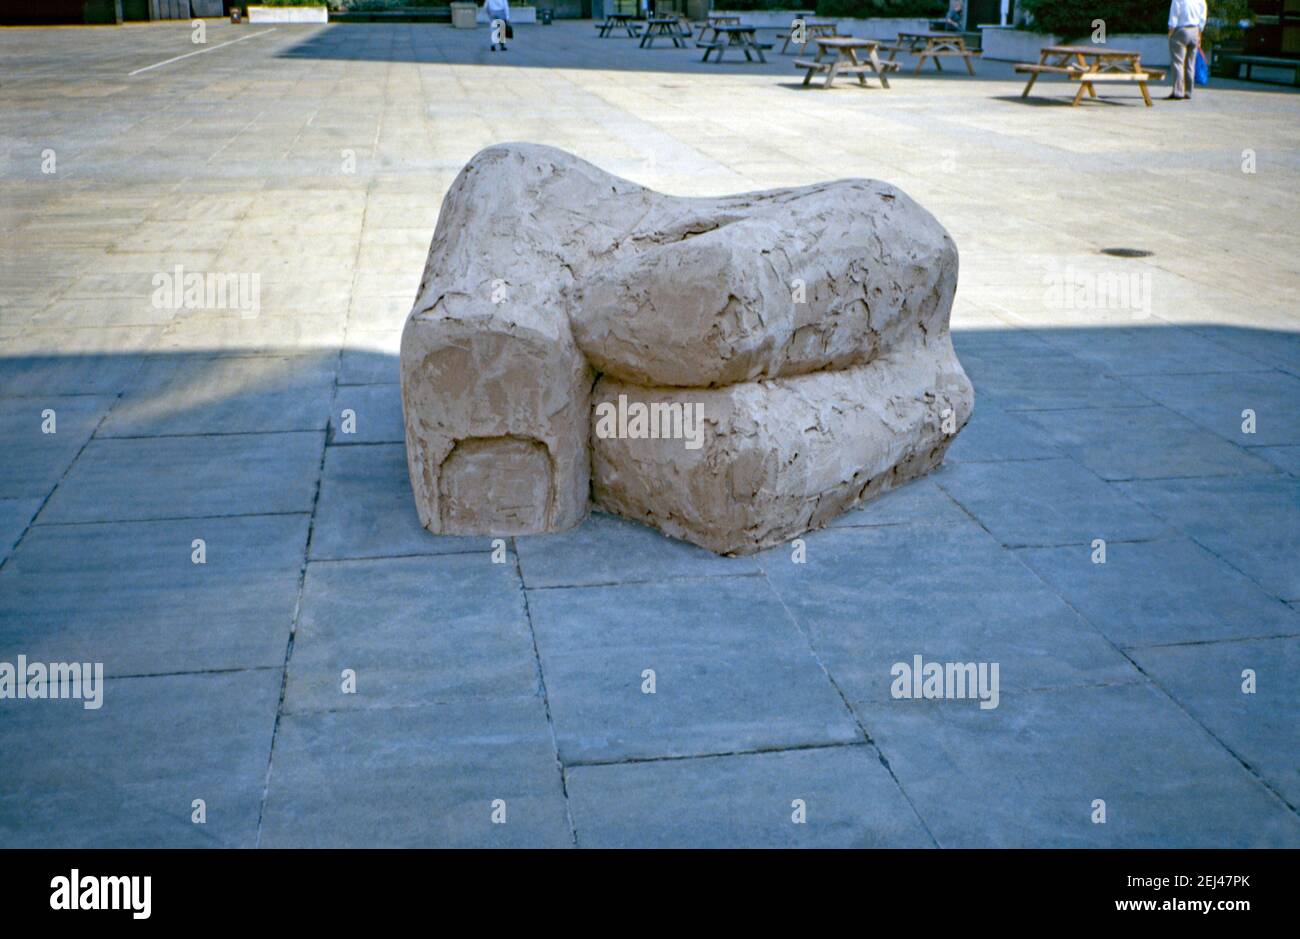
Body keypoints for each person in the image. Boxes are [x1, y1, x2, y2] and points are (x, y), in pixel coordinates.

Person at [1167, 0, 1207, 100]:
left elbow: (1174, 15)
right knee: (1191, 63)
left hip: (1181, 30)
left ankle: (1178, 91)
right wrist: (1199, 34)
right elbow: (1202, 17)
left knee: (1178, 63)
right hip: (1195, 30)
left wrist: (1170, 32)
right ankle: (1189, 91)